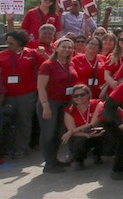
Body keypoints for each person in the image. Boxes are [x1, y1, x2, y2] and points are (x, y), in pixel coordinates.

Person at [0, 30, 45, 158]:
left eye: (11, 43)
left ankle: (22, 147)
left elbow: (45, 66)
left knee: (24, 120)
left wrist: (44, 54)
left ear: (20, 43)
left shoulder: (32, 54)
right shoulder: (1, 55)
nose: (8, 45)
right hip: (7, 93)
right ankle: (8, 147)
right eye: (7, 42)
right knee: (9, 121)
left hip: (27, 93)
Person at [37, 38, 78, 173]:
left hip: (65, 103)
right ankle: (48, 164)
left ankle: (54, 159)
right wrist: (45, 105)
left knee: (58, 132)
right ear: (57, 48)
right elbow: (41, 87)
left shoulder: (70, 63)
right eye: (63, 47)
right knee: (48, 133)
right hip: (50, 102)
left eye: (69, 47)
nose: (66, 50)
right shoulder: (48, 64)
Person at [60, 84, 104, 171]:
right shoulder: (69, 111)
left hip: (97, 132)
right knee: (79, 140)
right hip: (83, 135)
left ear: (88, 94)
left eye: (82, 94)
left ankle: (96, 154)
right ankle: (79, 160)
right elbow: (74, 132)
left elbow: (93, 123)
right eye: (76, 95)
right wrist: (87, 135)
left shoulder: (98, 104)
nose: (79, 97)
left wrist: (71, 131)